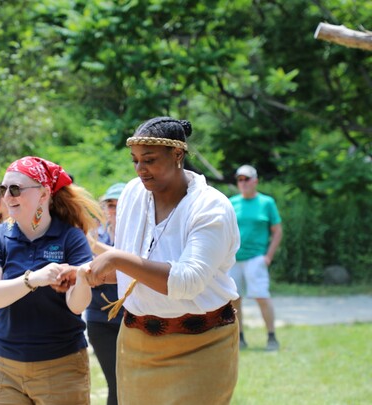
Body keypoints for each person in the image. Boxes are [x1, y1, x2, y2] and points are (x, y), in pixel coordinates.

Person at [84, 117, 241, 404]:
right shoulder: (133, 193)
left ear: (178, 155)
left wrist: (116, 258)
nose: (140, 169)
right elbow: (135, 272)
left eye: (150, 160)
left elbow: (188, 282)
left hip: (201, 345)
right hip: (136, 343)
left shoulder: (210, 206)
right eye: (135, 161)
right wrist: (86, 273)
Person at [0, 156, 103, 404]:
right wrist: (34, 279)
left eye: (16, 189)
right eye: (3, 189)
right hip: (0, 367)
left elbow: (77, 306)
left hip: (61, 366)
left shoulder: (71, 237)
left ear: (43, 194)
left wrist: (81, 278)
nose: (7, 196)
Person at [228, 164, 283, 351]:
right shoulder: (232, 203)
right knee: (234, 299)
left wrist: (268, 256)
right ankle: (239, 337)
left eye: (246, 179)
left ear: (255, 181)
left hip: (255, 258)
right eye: (239, 179)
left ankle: (271, 336)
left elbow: (277, 231)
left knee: (261, 296)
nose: (243, 183)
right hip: (234, 259)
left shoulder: (266, 203)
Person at [86, 182, 126, 405]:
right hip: (99, 318)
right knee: (116, 383)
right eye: (110, 204)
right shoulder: (95, 236)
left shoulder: (140, 236)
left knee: (134, 382)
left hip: (133, 319)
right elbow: (89, 273)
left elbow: (131, 267)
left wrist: (94, 247)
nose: (114, 210)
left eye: (120, 204)